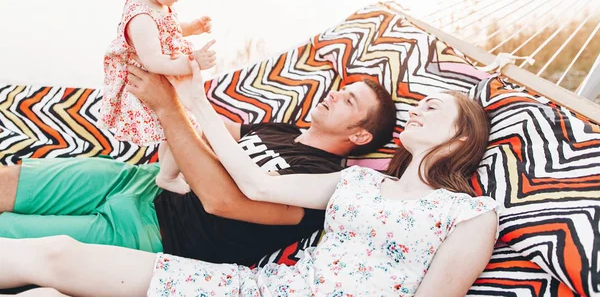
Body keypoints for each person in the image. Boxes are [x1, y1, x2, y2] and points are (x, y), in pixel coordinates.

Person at [0, 57, 498, 297]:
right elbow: (256, 184)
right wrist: (191, 99)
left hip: (179, 240)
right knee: (54, 270)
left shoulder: (470, 213)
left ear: (459, 140)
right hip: (256, 287)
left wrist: (182, 108)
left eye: (434, 108)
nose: (420, 108)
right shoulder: (356, 184)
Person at [0, 65, 396, 268]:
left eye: (349, 102)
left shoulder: (323, 184)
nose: (334, 95)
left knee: (11, 236)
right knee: (10, 179)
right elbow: (217, 128)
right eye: (342, 90)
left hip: (154, 232)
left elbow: (223, 202)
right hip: (138, 180)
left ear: (360, 136)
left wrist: (167, 107)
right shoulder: (285, 131)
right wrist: (180, 85)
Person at [98, 0, 216, 195]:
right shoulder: (140, 18)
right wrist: (193, 61)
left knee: (175, 130)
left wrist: (190, 27)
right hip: (151, 87)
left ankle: (168, 169)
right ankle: (167, 175)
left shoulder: (154, 5)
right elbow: (154, 61)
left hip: (162, 82)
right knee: (188, 129)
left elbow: (166, 30)